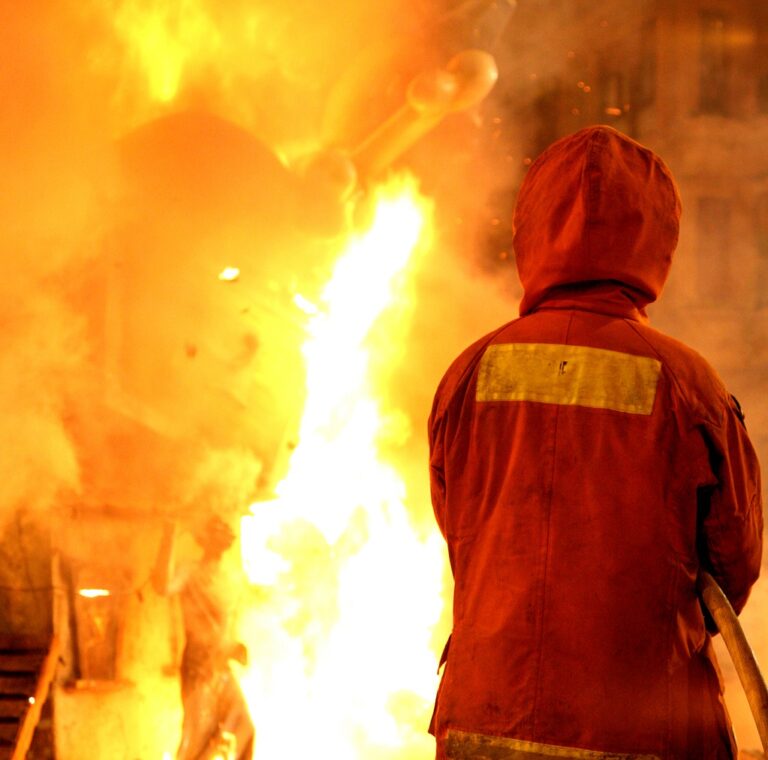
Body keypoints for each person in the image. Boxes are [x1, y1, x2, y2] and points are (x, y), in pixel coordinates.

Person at [427, 125, 763, 759]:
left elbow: (462, 534)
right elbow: (733, 562)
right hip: (641, 728)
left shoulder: (468, 373)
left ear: (530, 229)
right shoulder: (689, 385)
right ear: (657, 239)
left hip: (483, 719)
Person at [153, 514, 255, 760]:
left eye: (223, 539)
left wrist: (235, 648)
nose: (219, 545)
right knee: (196, 738)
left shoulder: (228, 579)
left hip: (221, 667)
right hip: (198, 666)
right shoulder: (191, 571)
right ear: (205, 542)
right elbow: (162, 586)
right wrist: (169, 536)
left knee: (244, 727)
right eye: (214, 538)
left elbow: (226, 627)